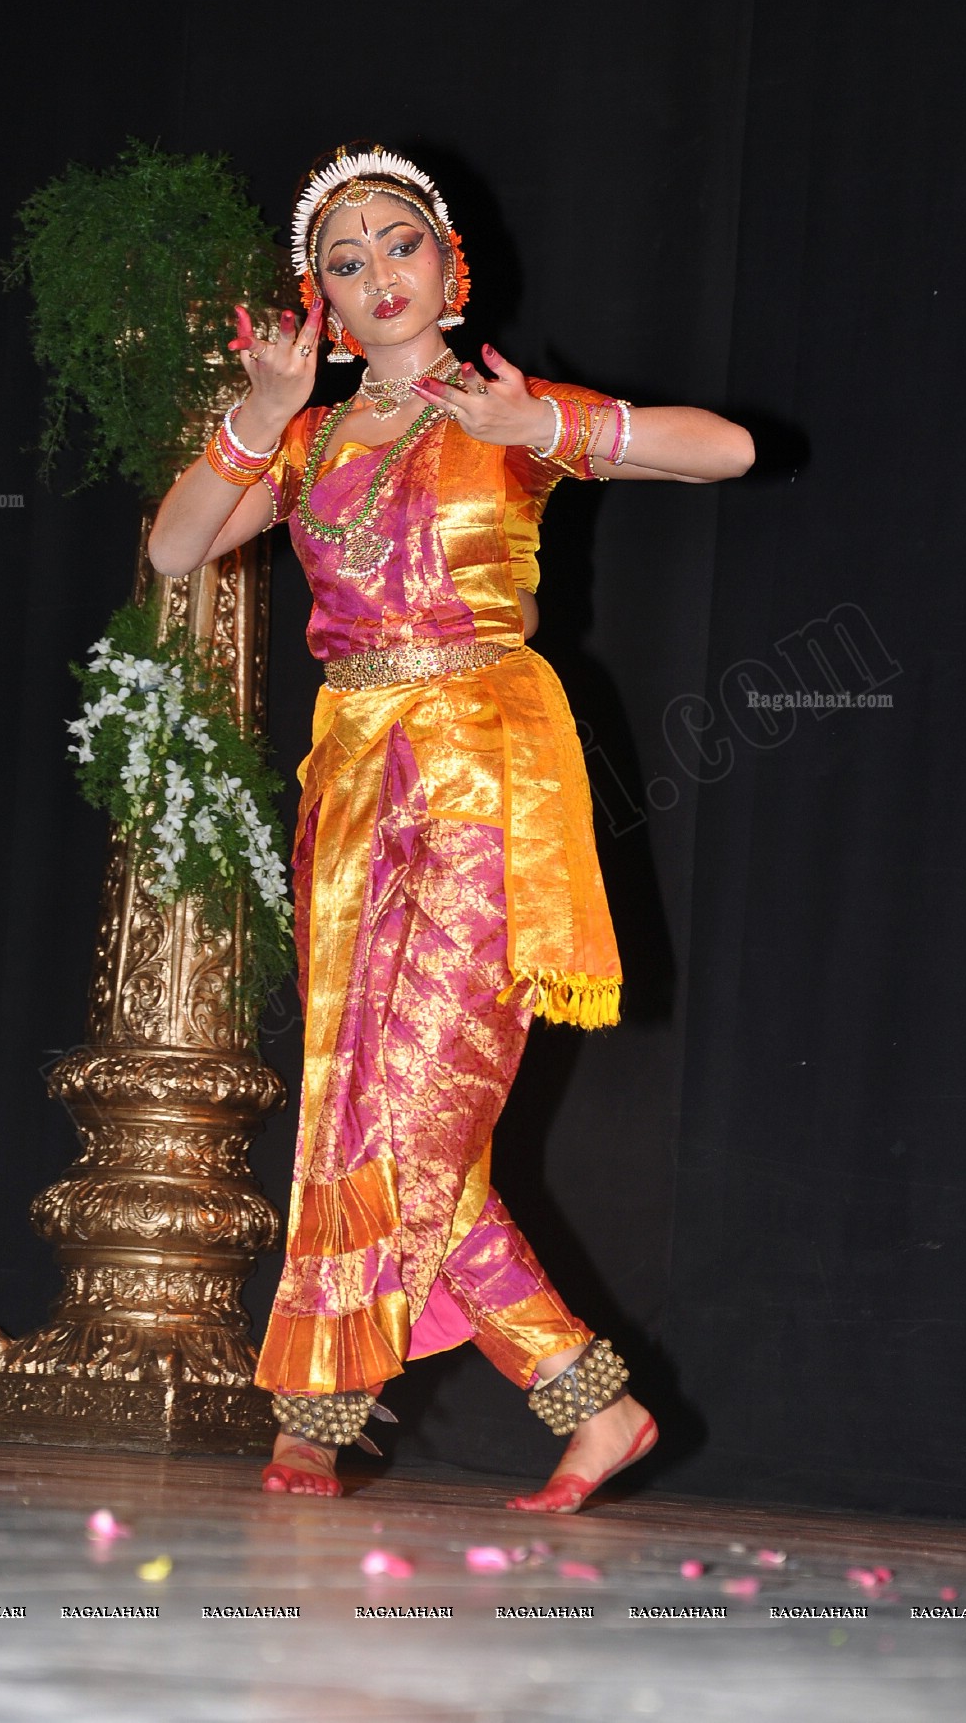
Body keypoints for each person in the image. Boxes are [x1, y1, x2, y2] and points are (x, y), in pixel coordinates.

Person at [149, 145, 753, 1512]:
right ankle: (374, 1402)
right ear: (326, 301)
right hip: (354, 784)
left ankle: (457, 1397)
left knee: (421, 1111)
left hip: (484, 774)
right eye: (347, 262)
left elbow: (728, 448)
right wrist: (255, 414)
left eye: (399, 244)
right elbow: (181, 547)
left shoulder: (503, 409)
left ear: (450, 263)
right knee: (352, 1104)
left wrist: (553, 430)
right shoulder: (304, 442)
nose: (379, 274)